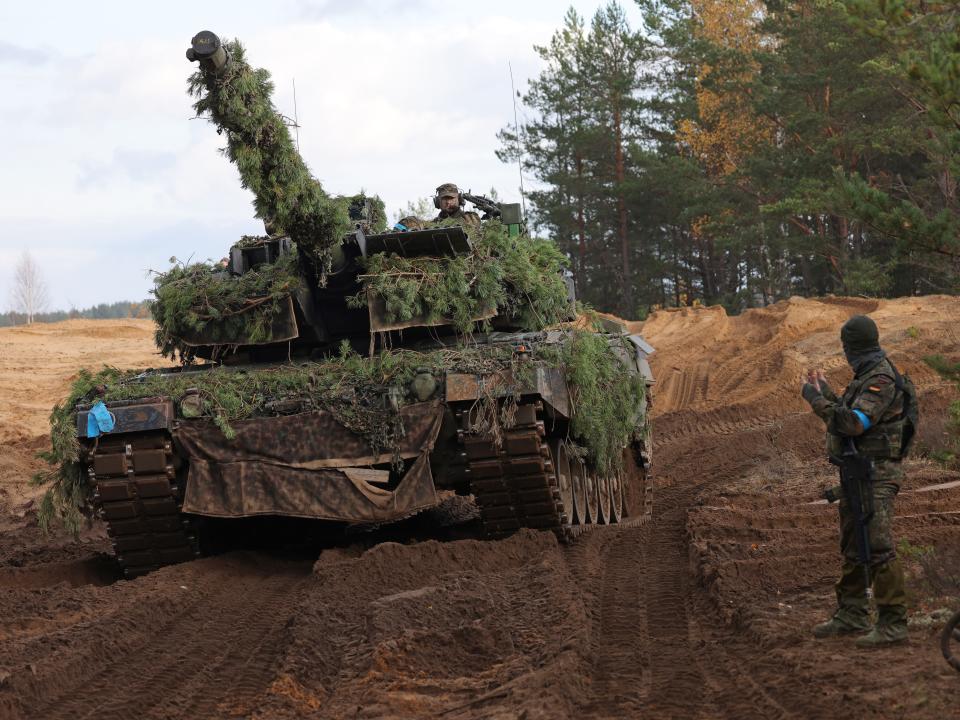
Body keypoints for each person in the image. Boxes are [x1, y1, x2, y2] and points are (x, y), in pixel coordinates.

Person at [801, 314, 915, 647]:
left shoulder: (880, 378)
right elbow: (853, 412)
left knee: (877, 546)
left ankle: (893, 623)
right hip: (859, 473)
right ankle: (851, 614)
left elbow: (853, 424)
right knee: (854, 544)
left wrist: (815, 400)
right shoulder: (866, 375)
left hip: (877, 473)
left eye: (846, 346)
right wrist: (829, 395)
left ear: (853, 346)